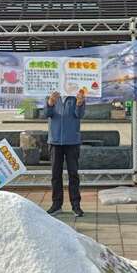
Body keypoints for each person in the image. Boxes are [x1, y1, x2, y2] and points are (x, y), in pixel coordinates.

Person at [45, 89, 86, 217]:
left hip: (72, 141)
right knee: (55, 175)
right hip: (55, 141)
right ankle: (56, 204)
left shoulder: (76, 96)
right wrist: (51, 102)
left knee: (73, 174)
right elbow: (46, 113)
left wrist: (79, 103)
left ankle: (76, 205)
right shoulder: (51, 95)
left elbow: (80, 115)